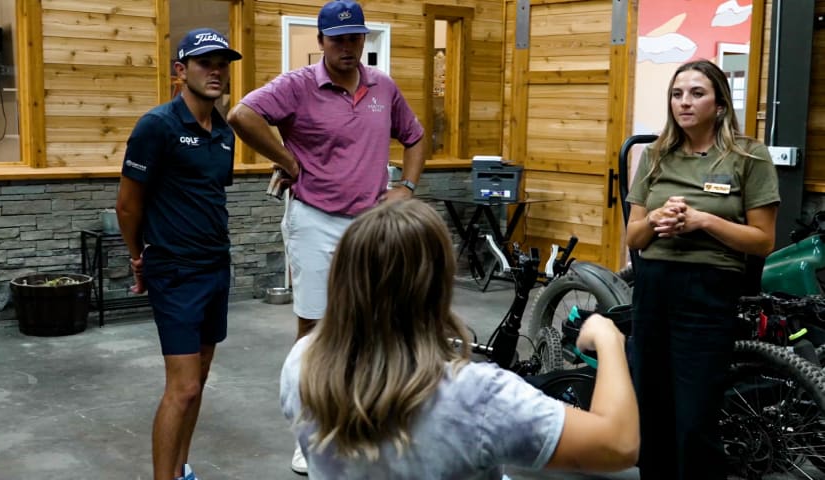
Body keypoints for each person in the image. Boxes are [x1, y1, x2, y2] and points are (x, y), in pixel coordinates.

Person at [279, 199, 638, 479]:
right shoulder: (475, 396)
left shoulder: (303, 360)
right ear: (437, 285)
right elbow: (619, 445)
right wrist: (608, 340)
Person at [226, 0, 424, 473]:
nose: (348, 48)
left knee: (376, 323)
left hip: (371, 224)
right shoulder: (297, 86)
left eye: (355, 38)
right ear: (321, 42)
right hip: (314, 219)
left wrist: (407, 188)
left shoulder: (384, 87)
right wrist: (288, 161)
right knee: (314, 329)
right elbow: (241, 116)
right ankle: (311, 433)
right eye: (338, 39)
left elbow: (414, 136)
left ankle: (366, 420)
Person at [625, 59, 780, 480]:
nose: (684, 102)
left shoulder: (749, 156)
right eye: (677, 94)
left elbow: (763, 240)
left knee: (695, 418)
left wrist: (703, 221)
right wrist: (657, 219)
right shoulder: (656, 155)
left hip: (708, 290)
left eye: (697, 93)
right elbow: (633, 238)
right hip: (654, 288)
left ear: (720, 104)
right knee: (652, 411)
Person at [115, 28, 242, 480]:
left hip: (215, 267)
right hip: (175, 270)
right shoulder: (157, 126)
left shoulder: (224, 133)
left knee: (200, 379)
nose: (216, 71)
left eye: (222, 64)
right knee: (183, 387)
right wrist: (138, 256)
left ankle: (181, 469)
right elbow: (128, 205)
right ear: (179, 70)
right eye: (205, 62)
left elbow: (207, 196)